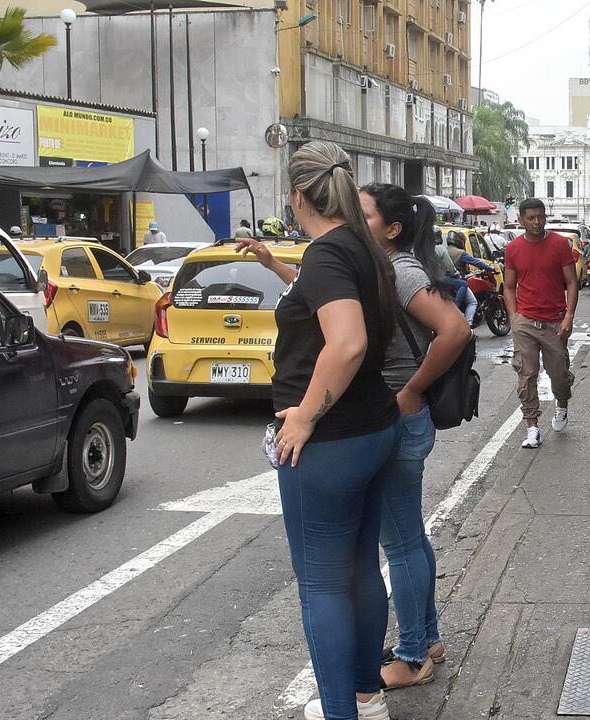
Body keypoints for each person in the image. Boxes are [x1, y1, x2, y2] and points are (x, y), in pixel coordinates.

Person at [251, 141, 402, 720]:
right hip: (372, 427)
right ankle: (365, 695)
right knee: (359, 567)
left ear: (296, 196)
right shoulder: (362, 248)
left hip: (331, 440)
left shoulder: (328, 253)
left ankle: (343, 711)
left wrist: (305, 415)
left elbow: (348, 343)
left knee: (321, 584)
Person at [359, 184, 472, 690]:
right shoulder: (390, 266)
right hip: (403, 418)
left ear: (392, 228)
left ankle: (411, 657)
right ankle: (427, 639)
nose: (354, 221)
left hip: (399, 417)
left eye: (364, 215)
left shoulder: (399, 271)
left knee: (400, 544)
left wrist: (410, 389)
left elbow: (455, 330)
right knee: (409, 537)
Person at [503, 198, 577, 449]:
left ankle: (562, 404)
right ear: (521, 220)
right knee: (526, 374)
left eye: (541, 216)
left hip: (555, 322)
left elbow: (572, 282)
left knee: (559, 375)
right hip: (525, 322)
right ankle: (532, 427)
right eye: (531, 218)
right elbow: (509, 287)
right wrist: (514, 317)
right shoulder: (513, 248)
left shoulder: (559, 244)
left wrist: (568, 316)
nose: (537, 222)